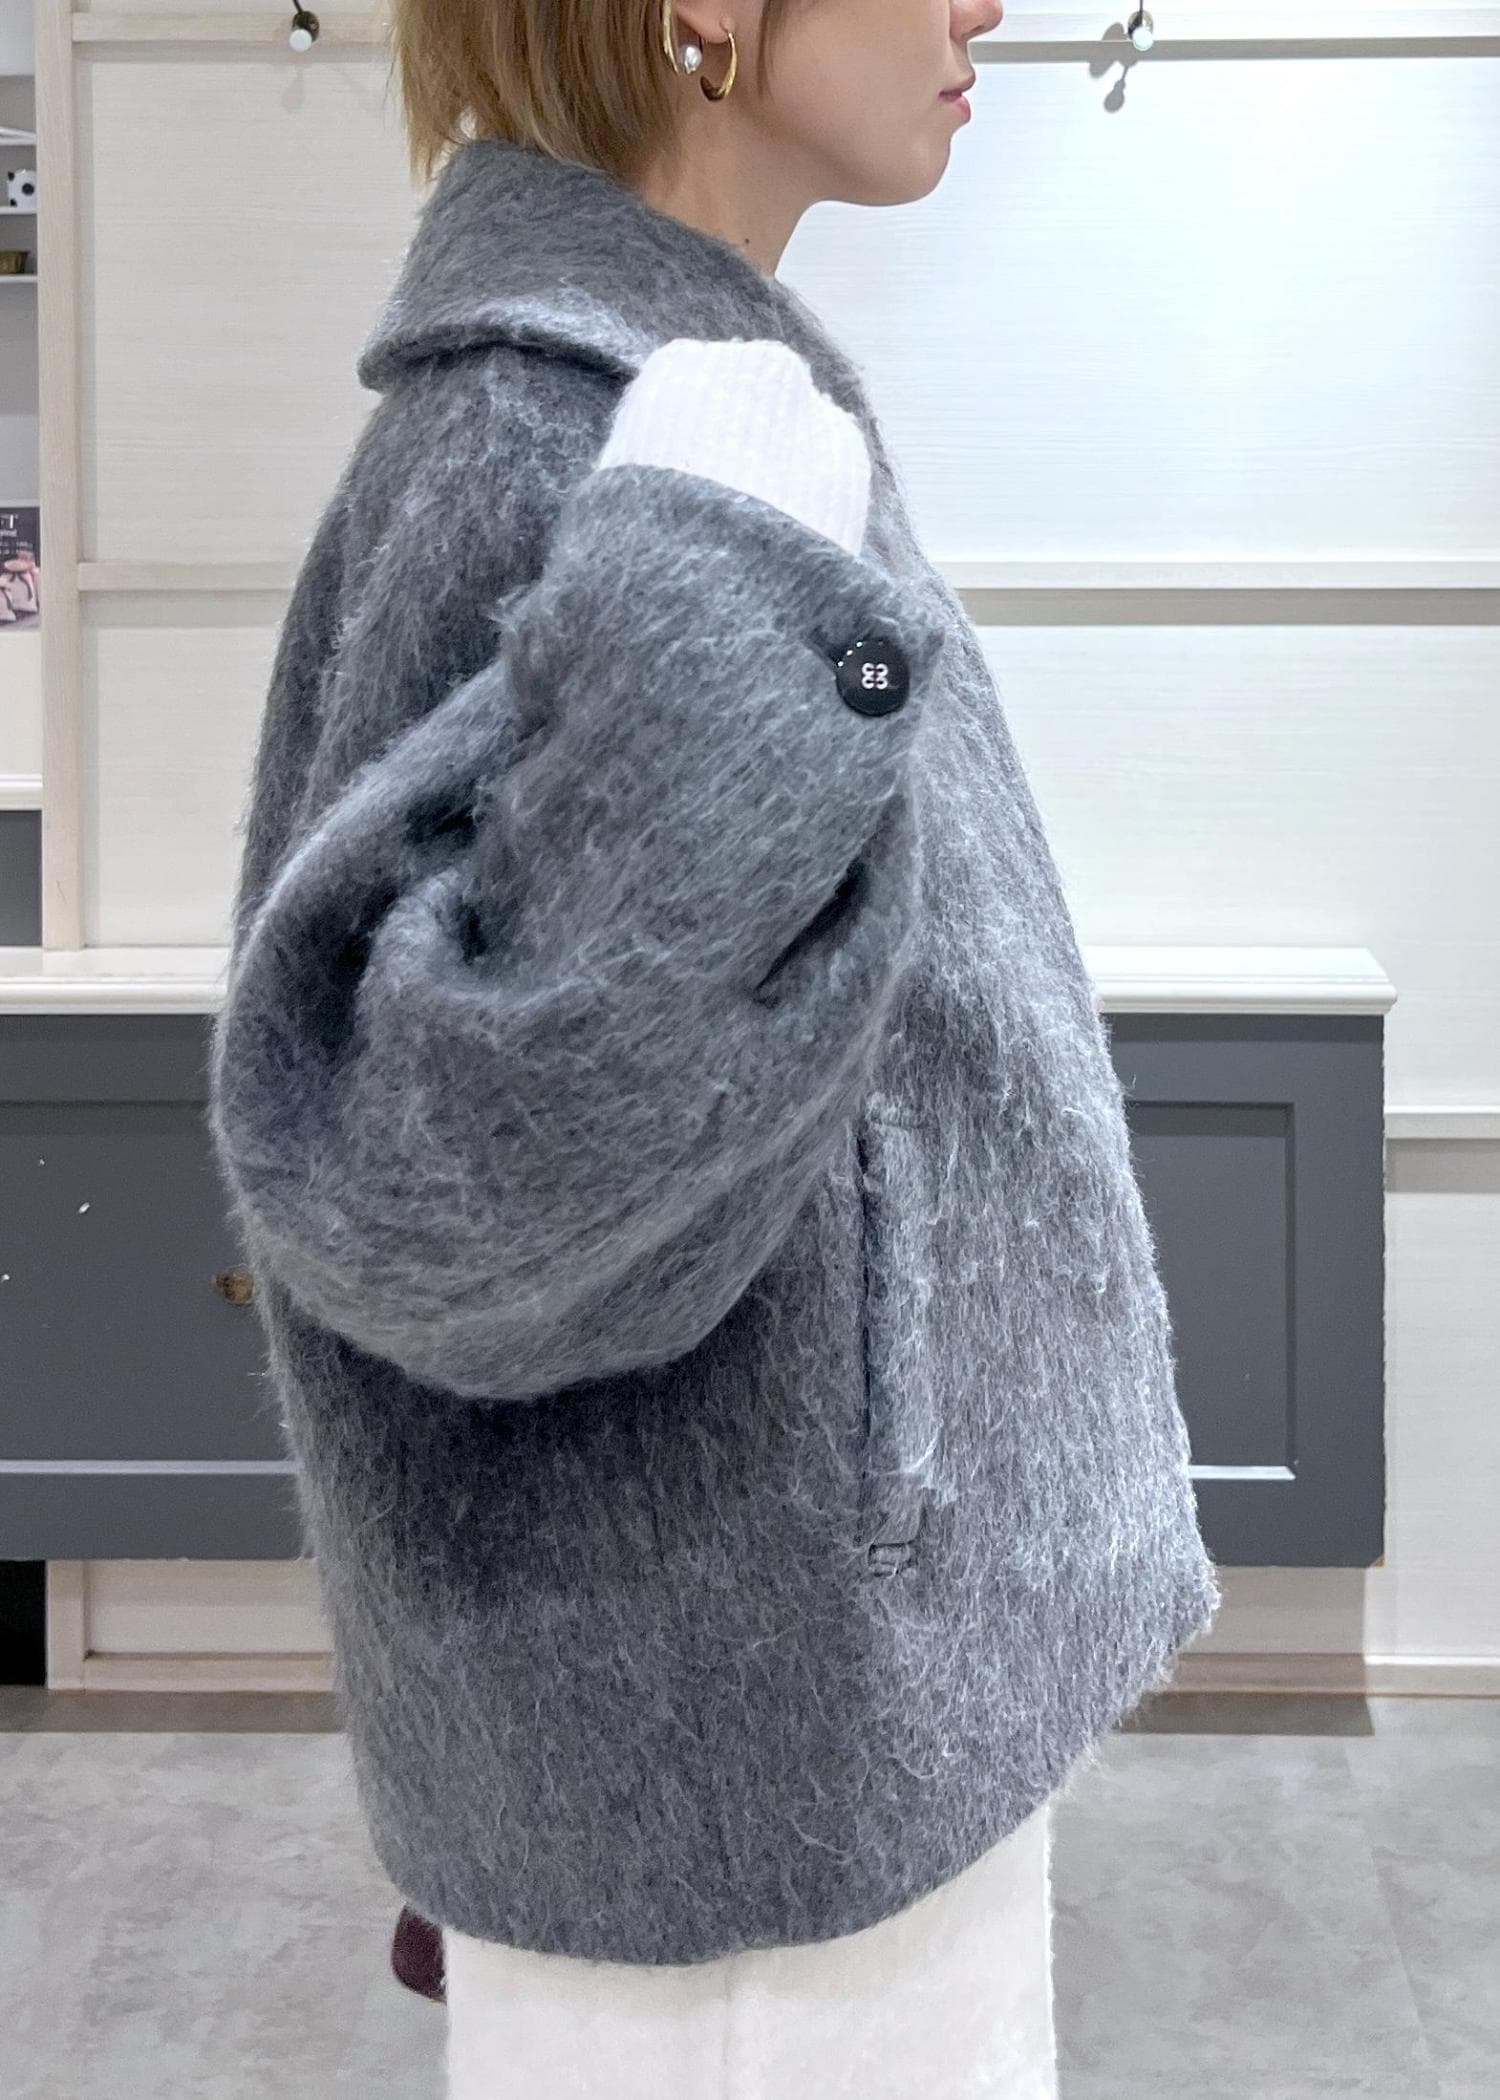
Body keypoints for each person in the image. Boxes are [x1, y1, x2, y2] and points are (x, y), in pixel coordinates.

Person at [206, 1, 1222, 2093]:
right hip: (736, 1779)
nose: (987, 5)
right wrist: (704, 594)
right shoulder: (540, 440)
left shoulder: (674, 401)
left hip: (796, 1715)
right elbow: (432, 1187)